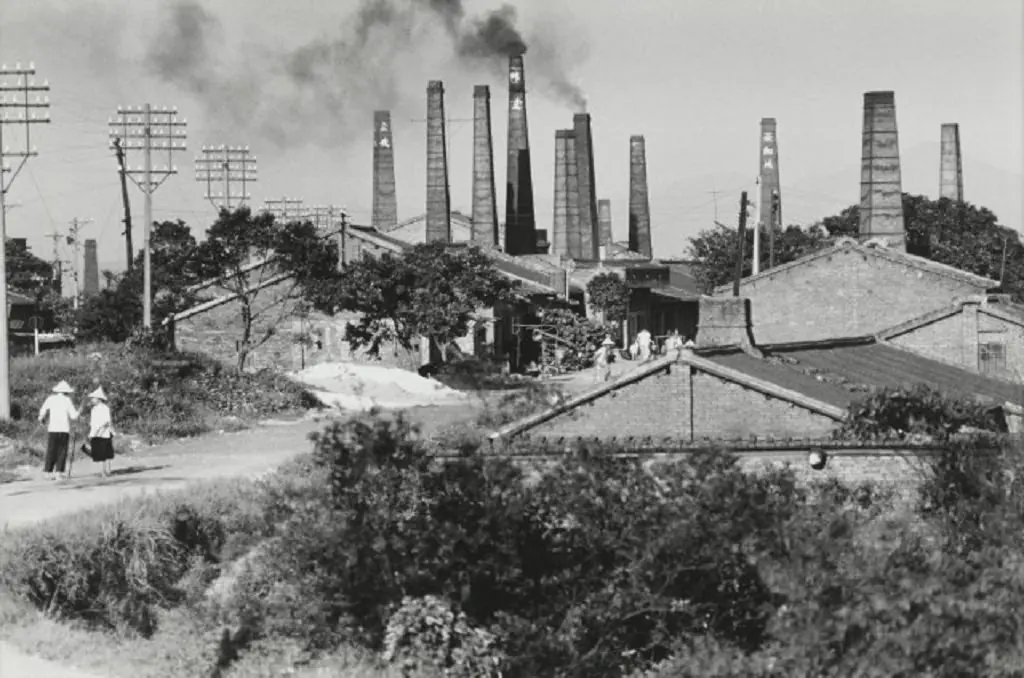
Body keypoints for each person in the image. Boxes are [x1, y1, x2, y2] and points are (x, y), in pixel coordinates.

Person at [38, 380, 80, 481]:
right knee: (62, 451)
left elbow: (42, 410)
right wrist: (80, 411)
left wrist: (41, 419)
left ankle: (47, 472)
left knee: (51, 450)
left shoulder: (50, 399)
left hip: (53, 429)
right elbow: (74, 416)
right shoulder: (67, 400)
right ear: (66, 392)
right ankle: (59, 473)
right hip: (64, 429)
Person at [86, 386, 116, 478]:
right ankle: (104, 471)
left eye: (93, 398)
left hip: (104, 433)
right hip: (97, 433)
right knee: (101, 453)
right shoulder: (93, 409)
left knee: (105, 453)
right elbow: (93, 423)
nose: (92, 400)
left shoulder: (105, 408)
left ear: (99, 399)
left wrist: (101, 430)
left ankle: (105, 471)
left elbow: (107, 421)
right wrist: (92, 433)